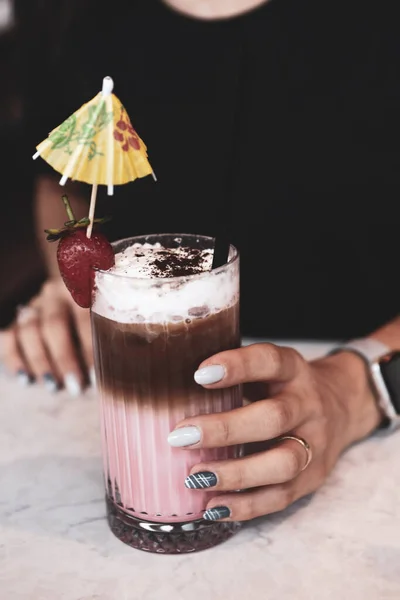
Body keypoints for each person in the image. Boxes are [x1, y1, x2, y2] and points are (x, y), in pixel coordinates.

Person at [2, 0, 400, 522]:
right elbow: (66, 185)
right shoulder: (61, 11)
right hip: (130, 377)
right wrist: (71, 290)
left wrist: (357, 388)